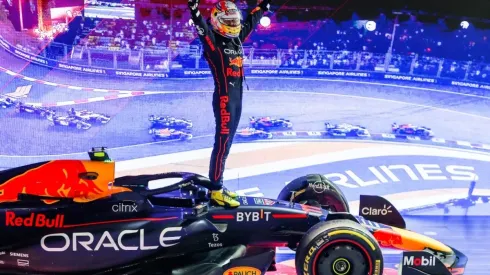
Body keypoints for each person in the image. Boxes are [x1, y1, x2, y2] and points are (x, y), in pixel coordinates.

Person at [188, 0, 271, 207]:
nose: (234, 24)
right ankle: (215, 190)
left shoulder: (236, 39)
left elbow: (252, 21)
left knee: (227, 146)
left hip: (236, 100)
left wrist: (264, 5)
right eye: (229, 21)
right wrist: (195, 10)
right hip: (225, 100)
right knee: (222, 146)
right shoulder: (213, 43)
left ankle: (218, 185)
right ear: (217, 21)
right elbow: (202, 31)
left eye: (235, 20)